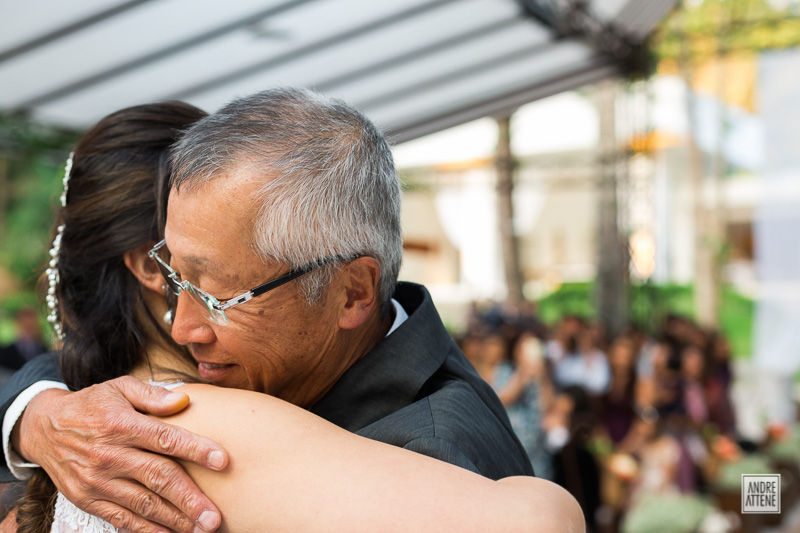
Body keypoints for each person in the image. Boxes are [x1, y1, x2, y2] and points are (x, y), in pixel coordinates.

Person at [5, 101, 583, 533]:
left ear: (354, 292)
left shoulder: (428, 459)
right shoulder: (304, 352)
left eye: (218, 294)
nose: (182, 327)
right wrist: (37, 412)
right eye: (176, 277)